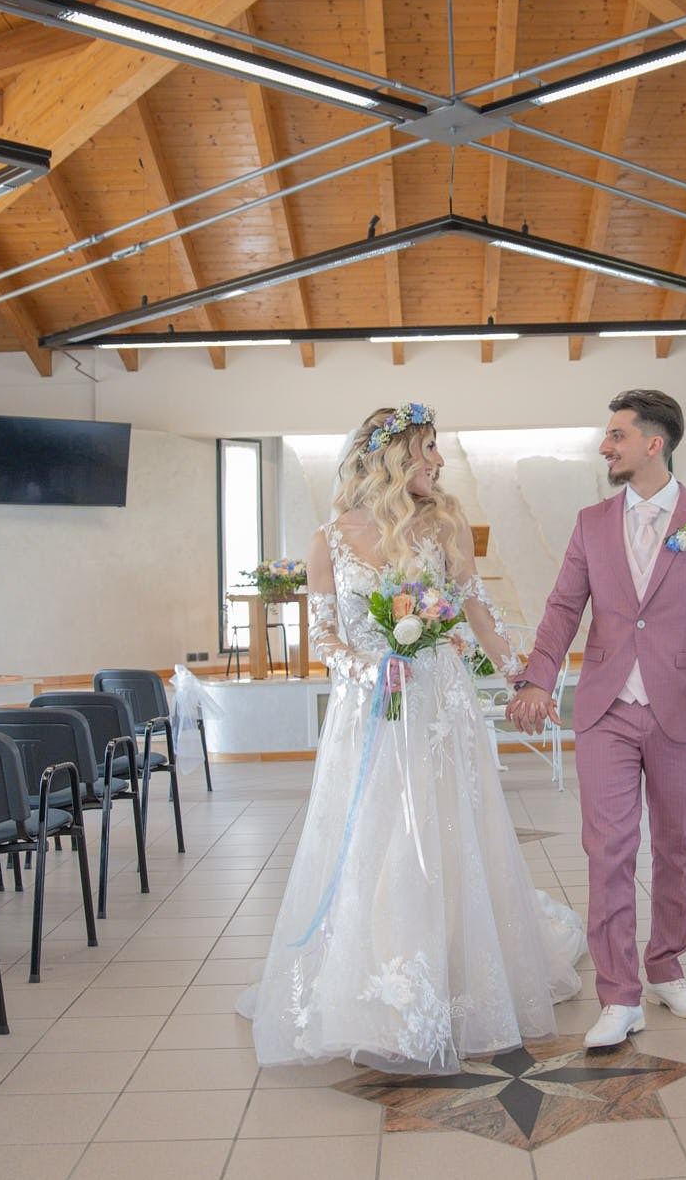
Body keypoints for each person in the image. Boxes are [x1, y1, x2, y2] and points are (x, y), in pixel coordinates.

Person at [237, 403, 585, 1074]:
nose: (439, 462)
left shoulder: (444, 521)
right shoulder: (327, 539)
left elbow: (475, 604)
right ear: (393, 456)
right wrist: (368, 668)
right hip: (367, 710)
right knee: (376, 836)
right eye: (428, 449)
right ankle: (379, 989)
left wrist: (519, 672)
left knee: (445, 832)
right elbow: (322, 638)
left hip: (437, 705)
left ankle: (456, 978)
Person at [509, 389, 686, 1048]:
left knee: (676, 847)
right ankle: (619, 995)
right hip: (606, 707)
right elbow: (562, 608)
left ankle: (667, 965)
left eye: (616, 434)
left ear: (653, 443)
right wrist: (538, 676)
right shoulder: (590, 523)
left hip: (684, 709)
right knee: (608, 849)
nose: (604, 445)